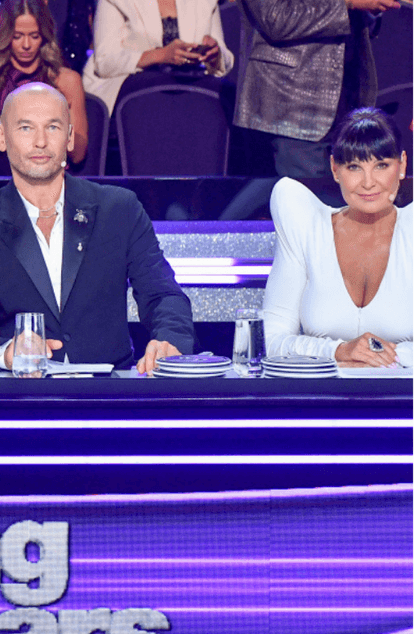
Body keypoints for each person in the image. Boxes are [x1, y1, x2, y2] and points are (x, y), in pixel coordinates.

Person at [0, 82, 195, 373]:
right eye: (25, 128)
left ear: (70, 137)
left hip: (108, 391)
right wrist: (6, 352)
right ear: (1, 137)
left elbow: (162, 295)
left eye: (52, 127)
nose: (40, 141)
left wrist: (169, 341)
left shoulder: (119, 209)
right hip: (23, 392)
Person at [262, 108, 411, 368]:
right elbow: (273, 343)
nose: (368, 183)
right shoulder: (307, 226)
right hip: (322, 393)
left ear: (402, 165)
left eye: (381, 165)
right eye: (354, 167)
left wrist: (386, 356)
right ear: (334, 168)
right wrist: (339, 350)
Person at [235, 0, 401, 178]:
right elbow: (275, 18)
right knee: (302, 192)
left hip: (347, 103)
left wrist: (371, 9)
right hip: (291, 106)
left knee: (342, 192)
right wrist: (349, 2)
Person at [0, 0, 88, 174]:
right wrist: (9, 116)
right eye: (17, 36)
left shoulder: (67, 81)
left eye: (34, 36)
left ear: (44, 36)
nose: (26, 45)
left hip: (52, 180)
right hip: (3, 182)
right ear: (6, 35)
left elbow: (79, 154)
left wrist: (56, 117)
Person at [81, 0, 233, 116]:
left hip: (190, 90)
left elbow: (225, 59)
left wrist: (214, 55)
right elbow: (104, 62)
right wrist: (161, 55)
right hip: (133, 95)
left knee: (223, 95)